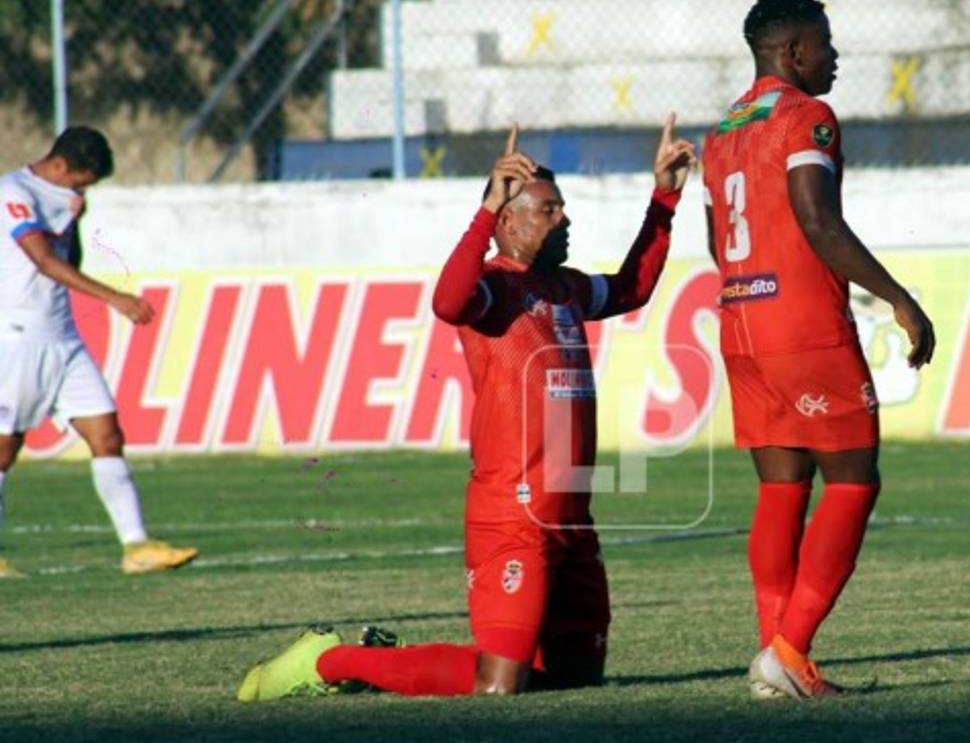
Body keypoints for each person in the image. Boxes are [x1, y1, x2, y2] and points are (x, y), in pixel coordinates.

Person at [236, 116, 695, 700]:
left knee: (573, 682)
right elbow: (447, 300)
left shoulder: (567, 288)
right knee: (497, 686)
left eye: (562, 208)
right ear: (509, 219)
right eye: (549, 210)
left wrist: (665, 198)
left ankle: (392, 659)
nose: (564, 219)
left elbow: (630, 289)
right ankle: (331, 660)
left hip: (572, 519)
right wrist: (482, 211)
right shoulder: (492, 289)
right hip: (512, 519)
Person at [700, 0, 936, 699]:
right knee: (855, 479)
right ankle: (790, 649)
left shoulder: (723, 131)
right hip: (802, 327)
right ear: (794, 50)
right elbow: (817, 220)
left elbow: (717, 241)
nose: (835, 58)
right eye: (826, 45)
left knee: (782, 486)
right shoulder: (807, 118)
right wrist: (898, 296)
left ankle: (777, 657)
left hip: (742, 321)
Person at [0, 126, 199, 577]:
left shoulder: (64, 199)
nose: (83, 188)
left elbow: (68, 263)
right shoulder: (13, 192)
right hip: (18, 337)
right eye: (82, 180)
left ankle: (137, 547)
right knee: (5, 449)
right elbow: (42, 262)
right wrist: (116, 298)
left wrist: (77, 221)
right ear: (60, 166)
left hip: (64, 337)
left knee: (107, 435)